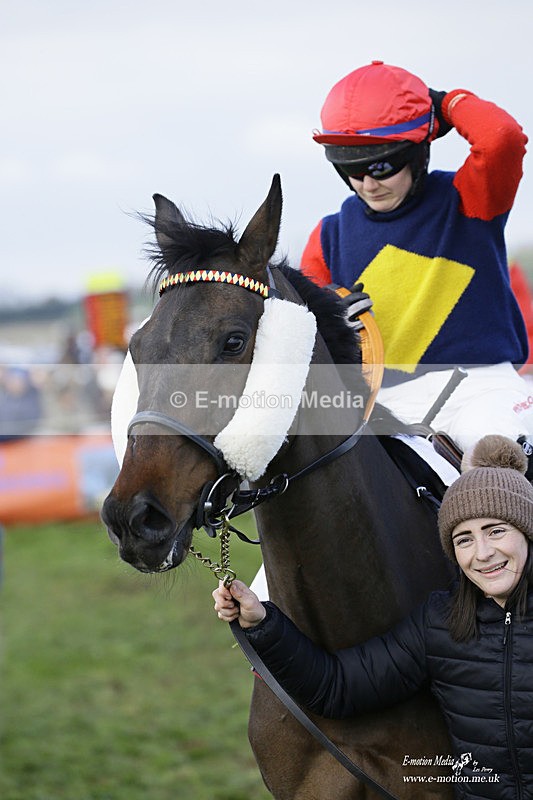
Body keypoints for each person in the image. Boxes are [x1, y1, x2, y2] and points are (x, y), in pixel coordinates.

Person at [213, 434, 533, 798]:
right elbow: (337, 686)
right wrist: (263, 624)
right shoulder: (440, 623)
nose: (483, 553)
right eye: (464, 539)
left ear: (526, 532)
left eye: (496, 531)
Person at [300, 60, 533, 455]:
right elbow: (308, 340)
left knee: (495, 462)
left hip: (481, 389)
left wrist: (445, 105)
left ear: (418, 152)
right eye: (352, 171)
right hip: (385, 403)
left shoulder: (470, 198)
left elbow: (502, 139)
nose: (368, 184)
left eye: (380, 167)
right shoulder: (327, 236)